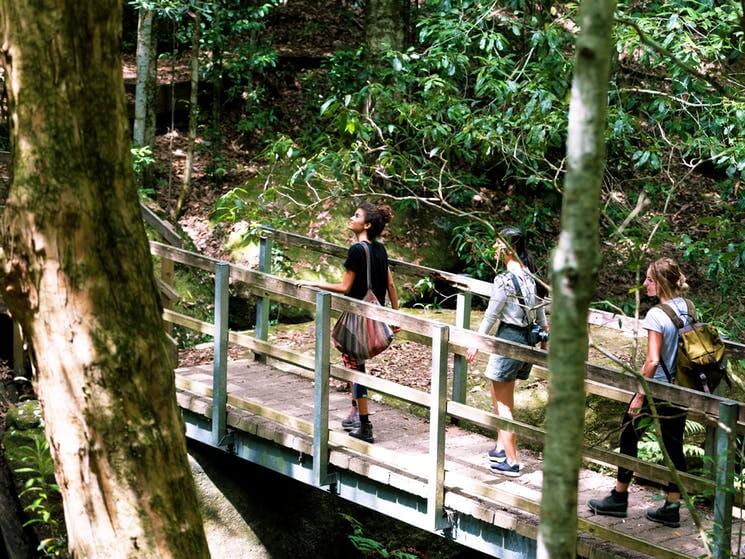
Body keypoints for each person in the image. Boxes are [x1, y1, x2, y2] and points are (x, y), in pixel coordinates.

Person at [588, 257, 691, 528]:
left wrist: (639, 395)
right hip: (682, 389)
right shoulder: (689, 308)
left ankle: (619, 497)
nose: (645, 284)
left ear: (661, 283)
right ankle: (671, 507)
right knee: (674, 445)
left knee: (628, 432)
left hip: (657, 388)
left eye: (649, 280)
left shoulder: (657, 314)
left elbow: (652, 360)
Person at [300, 203, 399, 443]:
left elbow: (345, 287)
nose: (350, 217)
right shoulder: (380, 249)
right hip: (375, 315)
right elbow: (391, 285)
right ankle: (355, 412)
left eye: (356, 215)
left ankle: (365, 424)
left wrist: (315, 284)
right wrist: (396, 315)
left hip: (358, 317)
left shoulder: (357, 250)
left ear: (366, 225)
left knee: (355, 367)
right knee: (355, 363)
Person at [466, 227, 548, 477]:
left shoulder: (504, 280)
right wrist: (546, 335)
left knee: (502, 404)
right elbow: (540, 308)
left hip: (509, 337)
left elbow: (491, 314)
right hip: (527, 338)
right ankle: (501, 447)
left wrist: (476, 342)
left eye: (498, 244)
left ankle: (512, 462)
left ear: (507, 248)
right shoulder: (529, 276)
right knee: (503, 394)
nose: (494, 248)